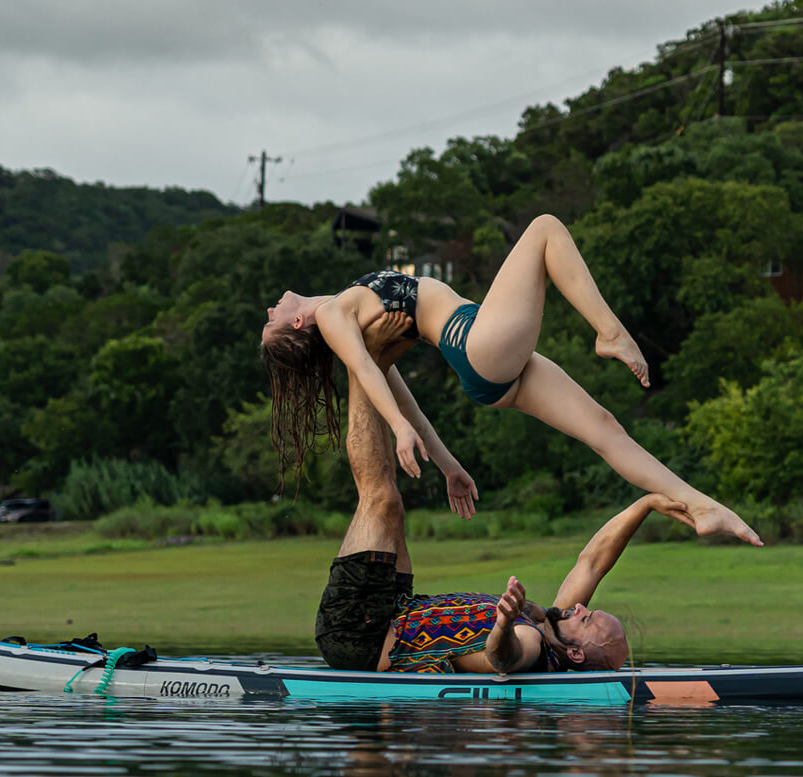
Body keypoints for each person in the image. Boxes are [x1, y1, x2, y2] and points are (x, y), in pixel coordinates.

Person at [263, 214, 760, 546]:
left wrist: (449, 464)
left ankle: (704, 508)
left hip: (488, 368)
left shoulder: (345, 311)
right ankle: (609, 333)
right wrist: (397, 429)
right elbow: (369, 373)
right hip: (475, 341)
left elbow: (392, 383)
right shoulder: (330, 316)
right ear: (299, 326)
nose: (271, 308)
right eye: (272, 321)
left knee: (606, 429)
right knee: (545, 228)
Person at [314, 312, 694, 674]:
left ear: (575, 652)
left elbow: (502, 658)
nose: (581, 608)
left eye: (588, 618)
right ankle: (373, 362)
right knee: (391, 503)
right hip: (394, 609)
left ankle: (354, 353)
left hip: (361, 636)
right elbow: (592, 563)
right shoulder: (548, 621)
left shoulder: (532, 643)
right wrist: (647, 503)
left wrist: (505, 624)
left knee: (382, 501)